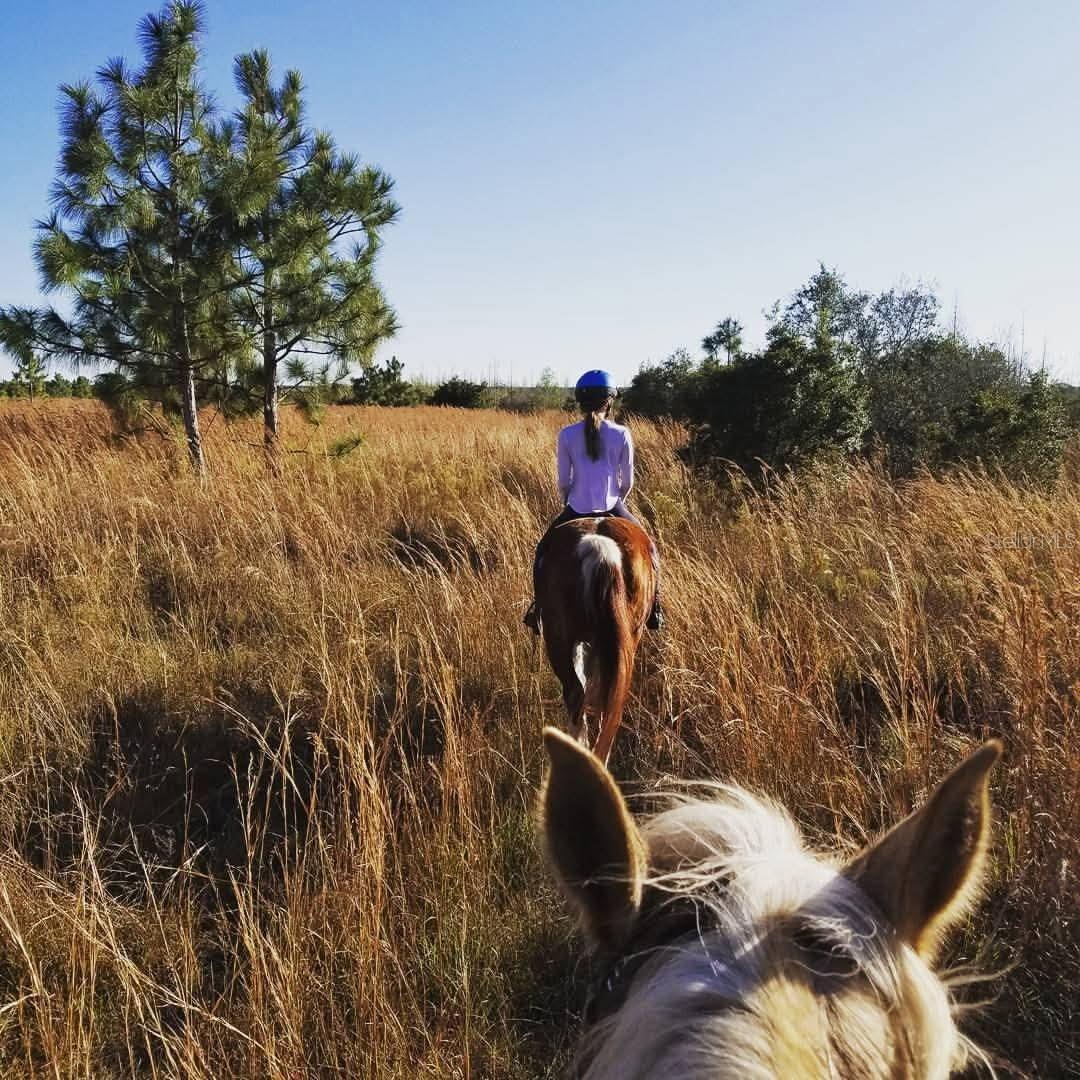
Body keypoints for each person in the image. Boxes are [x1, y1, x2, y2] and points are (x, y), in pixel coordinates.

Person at [524, 369, 663, 634]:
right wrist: (619, 499)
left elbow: (564, 480)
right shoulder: (622, 433)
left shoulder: (566, 434)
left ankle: (538, 610)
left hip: (575, 507)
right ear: (610, 401)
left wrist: (569, 501)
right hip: (613, 506)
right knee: (651, 550)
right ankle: (655, 608)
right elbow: (627, 482)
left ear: (580, 401)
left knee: (542, 552)